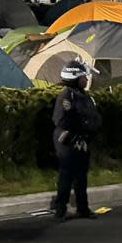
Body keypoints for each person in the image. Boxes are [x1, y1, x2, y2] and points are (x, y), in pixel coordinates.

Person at [52, 59, 103, 220]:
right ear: (74, 77)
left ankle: (83, 208)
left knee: (81, 176)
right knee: (66, 176)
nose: (86, 80)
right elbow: (62, 120)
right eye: (83, 77)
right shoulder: (67, 96)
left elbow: (93, 117)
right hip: (68, 141)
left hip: (82, 140)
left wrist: (88, 133)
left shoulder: (84, 95)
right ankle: (60, 210)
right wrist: (75, 137)